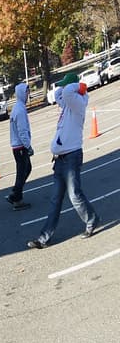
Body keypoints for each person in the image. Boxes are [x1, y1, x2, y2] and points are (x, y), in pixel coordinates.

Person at [28, 74, 100, 249]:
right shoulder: (68, 104)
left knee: (74, 194)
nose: (63, 88)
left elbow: (67, 92)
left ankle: (92, 219)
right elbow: (58, 94)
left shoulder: (77, 104)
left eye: (67, 85)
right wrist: (68, 86)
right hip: (60, 160)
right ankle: (44, 238)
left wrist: (80, 86)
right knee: (55, 199)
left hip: (71, 157)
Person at [7, 81, 33, 210]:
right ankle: (16, 197)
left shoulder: (17, 107)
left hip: (17, 146)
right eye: (27, 92)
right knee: (23, 171)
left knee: (25, 170)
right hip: (20, 146)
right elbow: (22, 131)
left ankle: (15, 193)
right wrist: (28, 146)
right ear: (22, 93)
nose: (28, 95)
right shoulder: (20, 110)